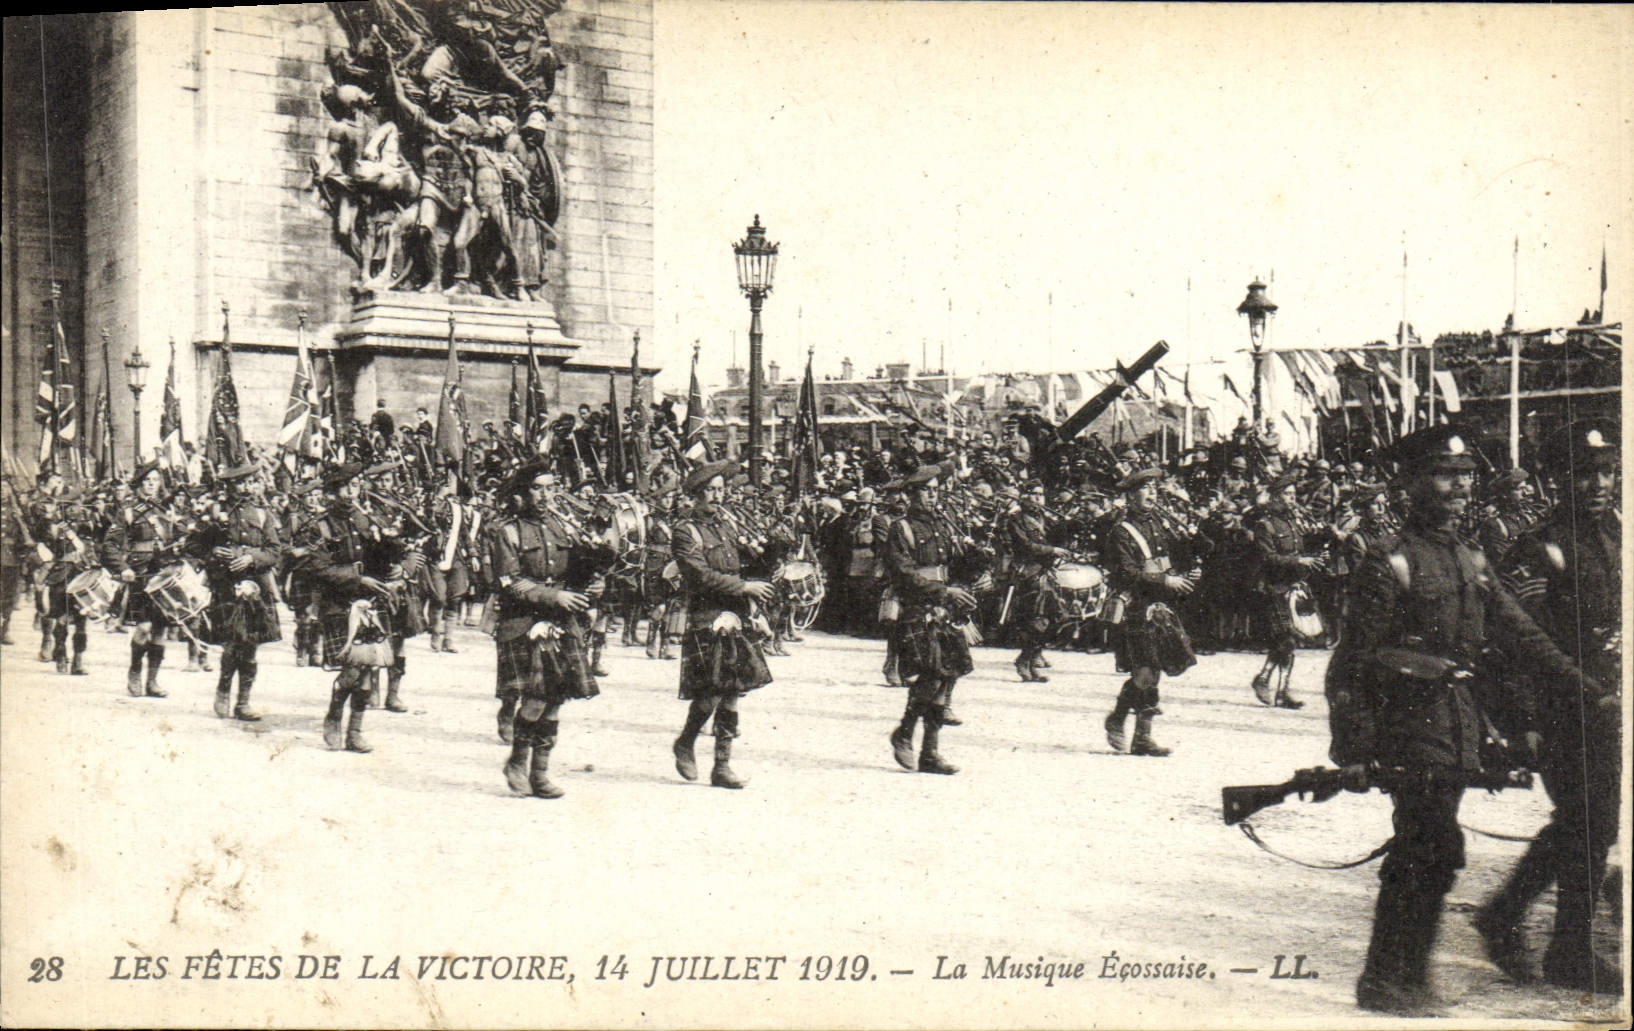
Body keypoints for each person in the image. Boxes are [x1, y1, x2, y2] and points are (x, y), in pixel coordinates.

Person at [1325, 425, 1611, 1015]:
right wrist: (1353, 747)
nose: (1457, 487)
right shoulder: (1390, 560)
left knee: (1436, 848)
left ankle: (1406, 976)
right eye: (1443, 474)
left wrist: (1588, 689)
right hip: (1408, 724)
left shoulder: (1470, 557)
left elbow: (1526, 636)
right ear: (1409, 483)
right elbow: (1351, 665)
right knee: (1424, 846)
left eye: (1464, 476)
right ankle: (1386, 978)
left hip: (1457, 723)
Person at [1475, 420, 1623, 993]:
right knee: (1590, 823)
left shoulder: (1612, 534)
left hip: (1606, 705)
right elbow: (1514, 643)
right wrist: (1527, 721)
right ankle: (1565, 949)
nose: (1599, 483)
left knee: (1590, 824)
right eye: (1584, 473)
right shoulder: (1540, 548)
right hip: (1562, 709)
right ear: (1556, 479)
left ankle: (1511, 918)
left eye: (1607, 470)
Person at [490, 460, 599, 798]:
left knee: (556, 700)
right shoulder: (505, 530)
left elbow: (579, 569)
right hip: (523, 621)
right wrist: (554, 596)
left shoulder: (563, 526)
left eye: (550, 488)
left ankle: (540, 772)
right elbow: (511, 583)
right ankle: (517, 763)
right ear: (523, 492)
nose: (545, 495)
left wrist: (594, 584)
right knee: (535, 700)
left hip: (562, 620)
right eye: (537, 488)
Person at [669, 461, 775, 789]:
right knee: (708, 694)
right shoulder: (686, 531)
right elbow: (699, 576)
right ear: (697, 495)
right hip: (706, 615)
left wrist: (771, 551)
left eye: (720, 489)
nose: (718, 495)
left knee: (734, 691)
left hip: (735, 614)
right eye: (711, 490)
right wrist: (743, 587)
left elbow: (745, 564)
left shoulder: (727, 527)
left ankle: (722, 765)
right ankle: (686, 741)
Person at [885, 463, 974, 775]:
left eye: (936, 490)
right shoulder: (901, 528)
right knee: (932, 674)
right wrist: (944, 592)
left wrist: (977, 560)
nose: (932, 496)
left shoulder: (943, 524)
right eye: (926, 490)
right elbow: (904, 574)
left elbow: (952, 566)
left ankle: (930, 752)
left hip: (944, 609)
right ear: (912, 494)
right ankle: (905, 733)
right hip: (917, 609)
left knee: (948, 675)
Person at [1102, 468, 1195, 756]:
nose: (1153, 494)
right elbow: (1127, 571)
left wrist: (1194, 538)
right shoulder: (1120, 532)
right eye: (1146, 489)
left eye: (1155, 488)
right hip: (1136, 608)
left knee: (1154, 672)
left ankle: (1136, 731)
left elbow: (1176, 557)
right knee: (1144, 672)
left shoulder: (1159, 524)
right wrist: (1164, 580)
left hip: (1161, 607)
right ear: (1130, 496)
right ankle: (1126, 725)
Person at [198, 463, 284, 721]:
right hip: (226, 584)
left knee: (251, 644)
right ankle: (224, 689)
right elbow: (193, 545)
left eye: (250, 481)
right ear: (229, 486)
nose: (246, 487)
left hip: (256, 586)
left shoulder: (261, 513)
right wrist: (212, 552)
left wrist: (250, 558)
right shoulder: (214, 511)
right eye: (240, 482)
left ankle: (243, 702)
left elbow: (275, 551)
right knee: (233, 641)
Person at [103, 463, 180, 699]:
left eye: (155, 480)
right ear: (139, 484)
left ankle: (153, 680)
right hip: (140, 574)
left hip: (163, 574)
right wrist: (123, 567)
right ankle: (135, 672)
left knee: (160, 630)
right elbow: (109, 545)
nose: (151, 484)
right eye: (147, 480)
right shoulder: (128, 510)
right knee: (144, 628)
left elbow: (178, 538)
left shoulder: (167, 510)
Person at [1249, 474, 1322, 709]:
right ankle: (1271, 684)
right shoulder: (1265, 525)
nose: (1292, 499)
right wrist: (1300, 560)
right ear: (1276, 497)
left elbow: (1301, 546)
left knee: (1289, 640)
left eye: (1293, 495)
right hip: (1273, 589)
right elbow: (1268, 558)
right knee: (1287, 639)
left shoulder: (1293, 522)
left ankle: (1276, 687)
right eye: (1287, 495)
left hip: (1293, 587)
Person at [1004, 480, 1070, 682]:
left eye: (1041, 495)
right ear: (1023, 497)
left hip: (1046, 572)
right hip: (1028, 573)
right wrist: (1052, 550)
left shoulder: (1044, 518)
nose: (1038, 499)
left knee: (1057, 617)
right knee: (1036, 620)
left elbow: (1057, 537)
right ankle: (1026, 662)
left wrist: (1068, 526)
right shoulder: (1016, 519)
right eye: (1033, 494)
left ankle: (1031, 659)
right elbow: (1025, 546)